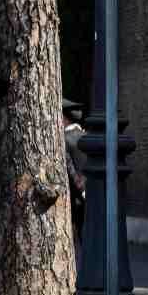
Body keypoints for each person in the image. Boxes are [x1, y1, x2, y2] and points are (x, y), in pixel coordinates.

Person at [62, 99, 86, 264]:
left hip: (75, 197)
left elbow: (70, 168)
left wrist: (81, 191)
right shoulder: (87, 136)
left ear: (65, 118)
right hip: (92, 193)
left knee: (75, 236)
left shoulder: (63, 139)